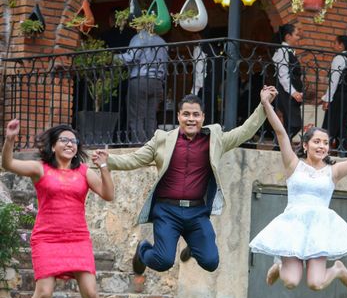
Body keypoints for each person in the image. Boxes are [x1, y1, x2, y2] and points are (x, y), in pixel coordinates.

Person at [95, 87, 277, 275]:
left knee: (210, 262)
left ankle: (193, 246)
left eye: (196, 115)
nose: (191, 119)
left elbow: (245, 132)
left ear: (203, 117)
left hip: (197, 212)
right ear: (179, 116)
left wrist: (263, 104)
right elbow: (135, 159)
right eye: (186, 114)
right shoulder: (162, 140)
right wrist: (108, 161)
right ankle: (143, 251)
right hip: (167, 211)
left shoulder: (214, 140)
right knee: (163, 261)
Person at [249, 94, 347, 291]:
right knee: (291, 282)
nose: (322, 146)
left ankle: (337, 270)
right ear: (306, 145)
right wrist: (266, 103)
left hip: (319, 229)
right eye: (317, 141)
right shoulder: (293, 165)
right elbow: (281, 133)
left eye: (325, 143)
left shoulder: (333, 172)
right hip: (293, 227)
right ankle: (279, 266)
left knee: (316, 284)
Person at [2, 120, 114, 298]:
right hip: (47, 238)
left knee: (91, 292)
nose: (69, 144)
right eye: (64, 140)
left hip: (77, 237)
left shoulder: (84, 172)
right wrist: (10, 140)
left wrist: (104, 166)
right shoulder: (40, 169)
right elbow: (7, 164)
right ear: (53, 146)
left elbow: (109, 194)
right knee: (43, 294)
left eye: (73, 141)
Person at [116, 28, 169, 142]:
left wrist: (112, 58)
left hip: (140, 80)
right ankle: (151, 147)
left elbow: (131, 57)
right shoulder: (162, 41)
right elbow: (165, 66)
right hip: (157, 82)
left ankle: (138, 146)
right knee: (151, 118)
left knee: (136, 117)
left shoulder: (140, 37)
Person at [321, 35, 347, 154]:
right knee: (343, 128)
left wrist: (327, 99)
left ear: (341, 45)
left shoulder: (339, 58)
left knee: (329, 127)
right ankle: (343, 154)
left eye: (335, 43)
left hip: (338, 96)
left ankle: (322, 152)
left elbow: (334, 80)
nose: (333, 45)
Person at [272, 23, 304, 139]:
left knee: (291, 123)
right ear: (288, 36)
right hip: (286, 92)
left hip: (290, 92)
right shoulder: (282, 51)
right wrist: (293, 92)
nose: (298, 37)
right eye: (296, 34)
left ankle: (280, 147)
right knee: (294, 124)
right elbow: (283, 75)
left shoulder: (289, 51)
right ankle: (279, 145)